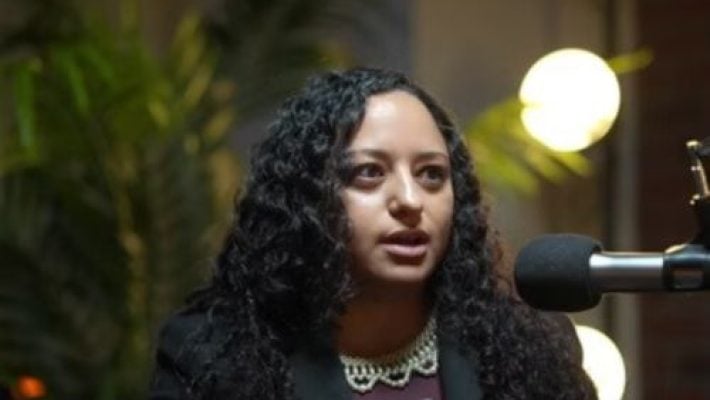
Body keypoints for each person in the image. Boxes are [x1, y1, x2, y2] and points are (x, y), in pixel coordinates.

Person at [149, 68, 596, 400]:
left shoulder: (533, 348)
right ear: (308, 197)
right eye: (369, 173)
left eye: (431, 174)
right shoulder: (211, 356)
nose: (410, 200)